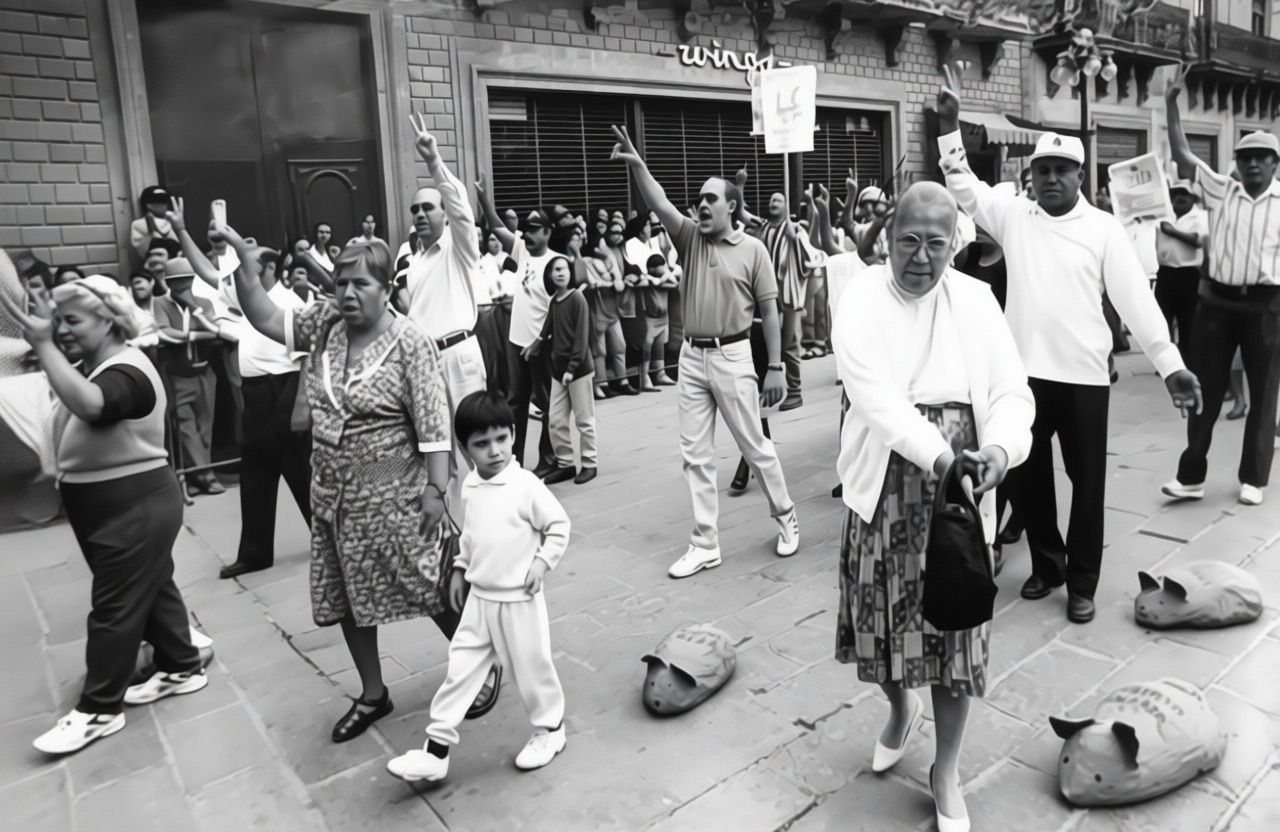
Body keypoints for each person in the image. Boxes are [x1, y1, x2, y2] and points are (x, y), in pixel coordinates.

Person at [936, 67, 1201, 624]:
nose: (1050, 179)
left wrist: (1171, 364)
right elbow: (965, 189)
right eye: (1042, 170)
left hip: (1082, 378)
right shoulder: (1014, 216)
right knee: (1027, 483)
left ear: (1080, 175)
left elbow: (1136, 303)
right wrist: (949, 126)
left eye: (1061, 170)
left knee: (1086, 486)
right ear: (1030, 176)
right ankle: (1048, 563)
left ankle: (1082, 581)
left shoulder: (1104, 228)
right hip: (1023, 379)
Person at [222, 223, 501, 741]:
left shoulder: (409, 341)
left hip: (400, 495)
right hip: (333, 495)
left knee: (432, 588)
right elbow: (263, 316)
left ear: (383, 288)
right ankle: (374, 693)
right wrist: (243, 262)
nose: (347, 295)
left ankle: (480, 665)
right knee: (348, 596)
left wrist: (437, 492)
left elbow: (434, 425)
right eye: (341, 284)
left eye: (360, 285)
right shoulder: (325, 324)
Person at [832, 182, 1034, 832]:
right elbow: (875, 400)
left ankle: (945, 768)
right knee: (877, 627)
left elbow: (1012, 392)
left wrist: (1001, 451)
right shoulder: (860, 294)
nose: (921, 257)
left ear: (956, 243)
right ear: (889, 237)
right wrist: (943, 458)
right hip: (888, 479)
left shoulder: (975, 300)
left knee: (953, 638)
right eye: (909, 241)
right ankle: (899, 708)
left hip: (963, 490)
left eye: (936, 244)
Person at [0, 276, 208, 756]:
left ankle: (98, 710)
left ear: (110, 321)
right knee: (152, 589)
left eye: (73, 321)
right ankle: (181, 665)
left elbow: (93, 407)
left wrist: (42, 341)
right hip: (111, 505)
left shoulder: (127, 370)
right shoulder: (93, 367)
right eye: (61, 321)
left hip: (134, 504)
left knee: (114, 609)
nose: (64, 330)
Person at [610, 125, 799, 578]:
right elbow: (659, 202)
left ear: (731, 206)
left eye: (710, 198)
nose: (701, 204)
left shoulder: (753, 249)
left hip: (735, 356)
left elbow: (770, 313)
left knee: (756, 447)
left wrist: (775, 367)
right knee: (695, 455)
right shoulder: (690, 237)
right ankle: (704, 543)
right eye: (699, 198)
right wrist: (639, 167)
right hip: (692, 359)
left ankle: (786, 515)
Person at [387, 391, 569, 782]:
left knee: (532, 668)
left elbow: (559, 527)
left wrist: (541, 563)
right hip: (479, 601)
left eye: (502, 439)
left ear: (513, 435)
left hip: (519, 599)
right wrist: (459, 568)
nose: (495, 451)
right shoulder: (470, 487)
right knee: (461, 671)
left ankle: (550, 730)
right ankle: (435, 752)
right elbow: (471, 536)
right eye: (482, 444)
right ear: (466, 450)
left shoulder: (526, 485)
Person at [168, 199, 312, 579]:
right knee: (255, 475)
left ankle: (331, 542)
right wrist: (181, 231)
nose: (238, 269)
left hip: (285, 390)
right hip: (255, 396)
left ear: (269, 268)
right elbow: (204, 270)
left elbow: (306, 359)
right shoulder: (242, 296)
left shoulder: (287, 303)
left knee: (303, 475)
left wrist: (301, 407)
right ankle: (255, 553)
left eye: (249, 261)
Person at [1161, 65, 1280, 508]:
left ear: (1273, 164)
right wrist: (1172, 103)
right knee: (1203, 388)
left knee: (1264, 391)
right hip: (1217, 303)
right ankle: (1190, 475)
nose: (1250, 164)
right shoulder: (1220, 189)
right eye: (1243, 158)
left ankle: (1254, 477)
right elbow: (1182, 153)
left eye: (1259, 158)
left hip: (1266, 304)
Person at [393, 116, 489, 501]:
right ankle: (455, 540)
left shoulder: (457, 248)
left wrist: (434, 161)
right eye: (415, 209)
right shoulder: (413, 260)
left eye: (428, 207)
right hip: (426, 364)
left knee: (478, 446)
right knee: (437, 453)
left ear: (444, 215)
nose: (419, 214)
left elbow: (462, 208)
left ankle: (493, 531)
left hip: (459, 357)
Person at [152, 258, 225, 496]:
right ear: (168, 282)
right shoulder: (160, 303)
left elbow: (215, 329)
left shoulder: (203, 302)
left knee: (206, 425)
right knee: (185, 427)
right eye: (176, 281)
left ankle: (196, 474)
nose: (182, 285)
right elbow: (164, 333)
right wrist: (195, 335)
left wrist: (192, 316)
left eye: (186, 280)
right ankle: (207, 475)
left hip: (204, 372)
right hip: (178, 375)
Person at [535, 256, 598, 485]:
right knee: (556, 419)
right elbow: (547, 328)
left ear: (570, 272)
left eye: (562, 269)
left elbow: (582, 338)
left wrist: (572, 367)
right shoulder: (555, 301)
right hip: (558, 370)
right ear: (549, 275)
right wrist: (535, 345)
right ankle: (565, 463)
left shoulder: (577, 298)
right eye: (554, 270)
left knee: (584, 419)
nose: (559, 273)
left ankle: (590, 463)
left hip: (578, 369)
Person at [505, 209, 558, 474]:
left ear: (547, 232)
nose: (527, 234)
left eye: (534, 229)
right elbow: (497, 228)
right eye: (526, 229)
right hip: (517, 341)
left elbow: (558, 308)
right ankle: (515, 461)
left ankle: (548, 459)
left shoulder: (556, 263)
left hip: (541, 345)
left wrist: (539, 340)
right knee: (516, 403)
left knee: (548, 403)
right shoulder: (523, 252)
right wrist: (483, 200)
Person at [754, 192, 812, 410]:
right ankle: (770, 389)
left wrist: (794, 239)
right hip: (767, 295)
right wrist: (739, 187)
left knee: (788, 346)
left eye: (778, 199)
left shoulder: (796, 229)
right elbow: (740, 213)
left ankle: (795, 392)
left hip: (788, 297)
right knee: (769, 344)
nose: (772, 202)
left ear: (787, 205)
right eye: (770, 200)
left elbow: (810, 258)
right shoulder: (764, 227)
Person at [1154, 180, 1208, 362]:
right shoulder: (1163, 215)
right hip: (1166, 272)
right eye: (1175, 194)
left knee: (1188, 321)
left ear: (1192, 197)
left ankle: (1187, 360)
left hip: (1189, 274)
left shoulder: (1200, 217)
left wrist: (1172, 231)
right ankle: (1168, 360)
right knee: (1162, 320)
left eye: (1184, 194)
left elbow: (1198, 241)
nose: (1179, 198)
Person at [639, 253, 677, 388]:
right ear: (651, 268)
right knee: (647, 347)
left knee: (660, 345)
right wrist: (654, 279)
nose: (660, 270)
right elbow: (643, 280)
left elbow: (675, 283)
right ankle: (644, 376)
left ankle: (660, 373)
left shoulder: (665, 279)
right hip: (650, 318)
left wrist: (664, 277)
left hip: (663, 318)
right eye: (657, 267)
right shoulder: (645, 279)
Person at [129, 186, 179, 259]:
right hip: (154, 262)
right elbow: (142, 251)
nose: (165, 205)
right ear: (149, 205)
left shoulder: (171, 220)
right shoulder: (138, 224)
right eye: (160, 202)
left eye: (165, 202)